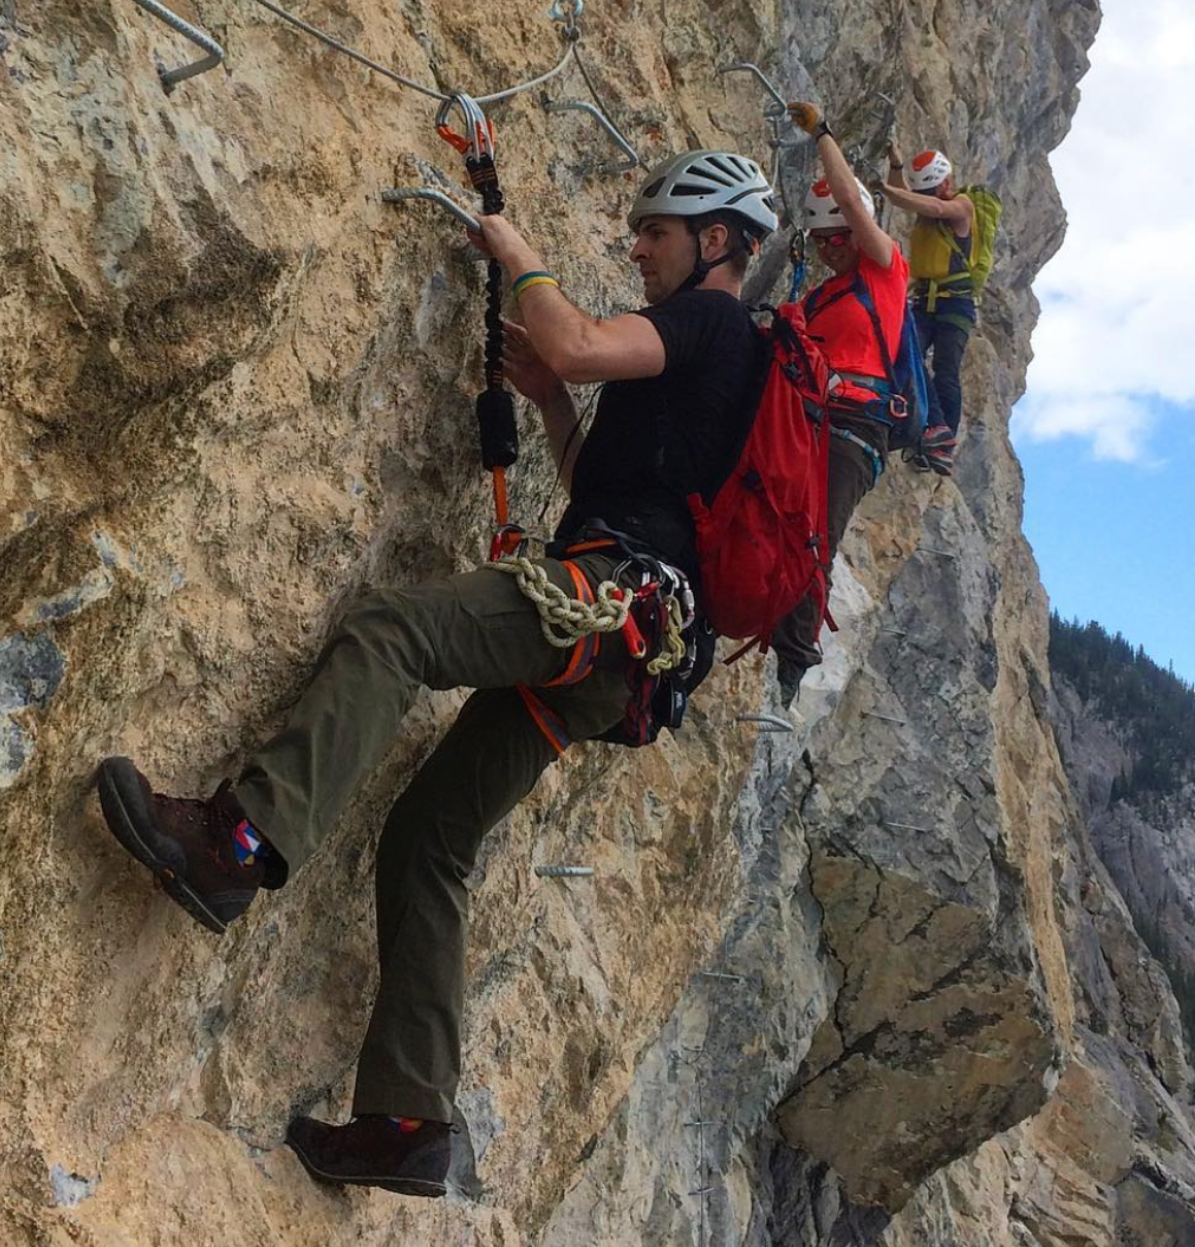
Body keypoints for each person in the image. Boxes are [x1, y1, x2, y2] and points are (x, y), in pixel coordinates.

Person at [94, 150, 777, 1199]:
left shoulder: (716, 324)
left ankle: (237, 842)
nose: (638, 248)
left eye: (657, 232)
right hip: (620, 649)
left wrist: (519, 255)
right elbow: (605, 481)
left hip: (608, 606)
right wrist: (550, 403)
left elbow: (580, 340)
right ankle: (409, 1123)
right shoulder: (701, 364)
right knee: (429, 838)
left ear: (716, 240)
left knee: (394, 631)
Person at [772, 101, 908, 708]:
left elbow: (852, 201)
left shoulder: (885, 272)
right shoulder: (821, 297)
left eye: (838, 237)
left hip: (854, 429)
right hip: (808, 419)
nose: (830, 248)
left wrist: (822, 134)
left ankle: (793, 662)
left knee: (815, 537)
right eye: (821, 239)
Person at [879, 144, 976, 475]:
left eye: (932, 190)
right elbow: (912, 198)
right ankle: (932, 426)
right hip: (924, 301)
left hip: (956, 302)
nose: (928, 197)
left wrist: (889, 191)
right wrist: (896, 166)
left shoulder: (962, 207)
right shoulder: (929, 203)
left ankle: (943, 441)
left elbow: (931, 205)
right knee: (906, 355)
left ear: (946, 183)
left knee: (946, 369)